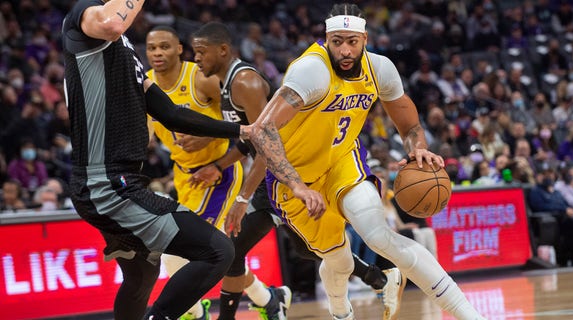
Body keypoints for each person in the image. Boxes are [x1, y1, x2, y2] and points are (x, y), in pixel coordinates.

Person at [247, 4, 485, 319]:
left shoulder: (380, 69)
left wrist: (418, 148)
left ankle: (471, 315)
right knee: (338, 260)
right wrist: (297, 186)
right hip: (296, 177)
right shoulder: (311, 71)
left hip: (342, 161)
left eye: (352, 42)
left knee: (378, 235)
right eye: (337, 41)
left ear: (365, 39)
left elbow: (409, 124)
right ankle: (341, 312)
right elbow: (262, 129)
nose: (345, 50)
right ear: (327, 39)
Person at [189, 22, 398, 320]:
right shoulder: (224, 83)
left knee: (233, 247)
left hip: (285, 172)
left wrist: (242, 198)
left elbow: (267, 144)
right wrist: (217, 165)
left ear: (222, 50)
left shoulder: (244, 82)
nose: (196, 59)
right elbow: (249, 142)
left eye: (200, 52)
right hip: (277, 172)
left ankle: (246, 311)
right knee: (306, 249)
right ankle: (374, 277)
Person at [62, 1, 250, 319]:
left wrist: (242, 130)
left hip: (119, 183)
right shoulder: (85, 17)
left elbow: (172, 114)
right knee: (218, 250)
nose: (156, 52)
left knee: (141, 276)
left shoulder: (125, 52)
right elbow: (111, 23)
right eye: (153, 47)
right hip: (107, 185)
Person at [145, 26, 247, 320]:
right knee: (211, 253)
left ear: (179, 49)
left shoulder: (201, 78)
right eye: (152, 49)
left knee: (182, 248)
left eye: (165, 47)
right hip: (183, 175)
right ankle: (268, 298)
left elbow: (242, 121)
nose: (158, 53)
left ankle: (190, 310)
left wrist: (210, 135)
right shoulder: (146, 85)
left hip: (219, 174)